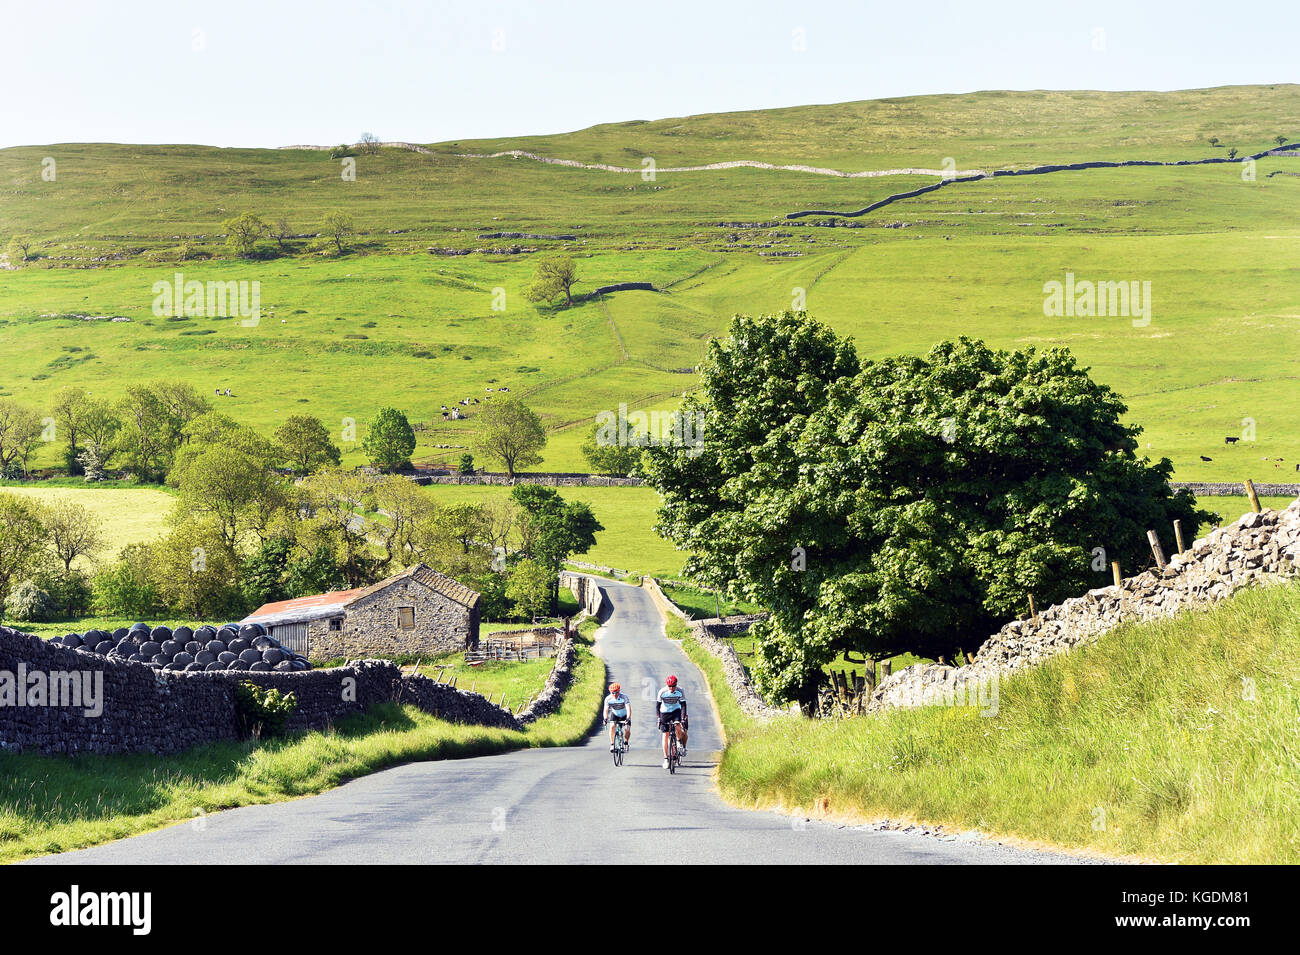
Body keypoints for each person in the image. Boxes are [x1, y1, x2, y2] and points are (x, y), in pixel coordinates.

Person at [657, 674, 688, 768]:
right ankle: (666, 759)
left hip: (676, 711)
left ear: (676, 685)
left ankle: (679, 741)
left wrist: (682, 718)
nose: (671, 688)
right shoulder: (662, 691)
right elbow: (657, 706)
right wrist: (658, 717)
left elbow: (683, 705)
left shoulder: (680, 690)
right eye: (669, 686)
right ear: (667, 685)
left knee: (677, 725)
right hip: (665, 712)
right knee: (665, 735)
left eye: (673, 686)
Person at [604, 682, 631, 752]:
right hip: (615, 715)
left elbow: (628, 708)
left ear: (619, 691)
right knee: (612, 726)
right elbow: (606, 710)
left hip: (625, 715)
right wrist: (605, 719)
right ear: (610, 692)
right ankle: (612, 744)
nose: (614, 694)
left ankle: (626, 742)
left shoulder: (624, 697)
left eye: (616, 692)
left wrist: (628, 718)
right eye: (612, 693)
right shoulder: (608, 699)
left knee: (627, 729)